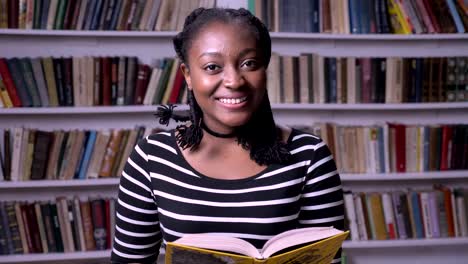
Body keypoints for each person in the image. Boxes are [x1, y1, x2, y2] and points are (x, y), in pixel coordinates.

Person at [111, 7, 344, 264]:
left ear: (264, 69)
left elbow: (327, 261)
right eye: (212, 67)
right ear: (188, 75)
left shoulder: (309, 156)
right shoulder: (151, 158)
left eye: (249, 64)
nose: (234, 80)